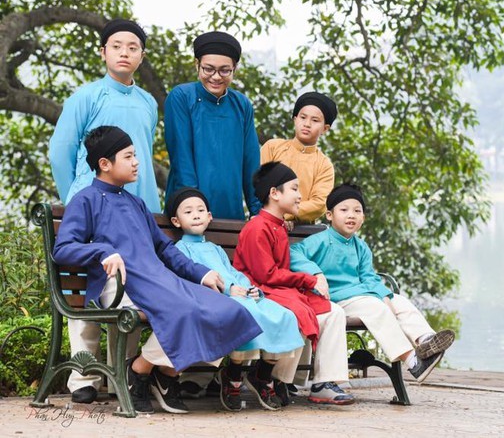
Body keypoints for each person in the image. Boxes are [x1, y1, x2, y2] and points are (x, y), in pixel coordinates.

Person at [52, 126, 263, 414]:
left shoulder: (135, 203)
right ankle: (146, 375)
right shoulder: (85, 200)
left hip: (159, 280)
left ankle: (151, 372)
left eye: (135, 155)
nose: (137, 162)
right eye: (128, 156)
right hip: (121, 284)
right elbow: (63, 248)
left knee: (226, 309)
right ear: (104, 164)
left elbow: (164, 249)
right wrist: (102, 251)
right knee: (183, 312)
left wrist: (201, 273)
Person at [48, 18, 160, 405]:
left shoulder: (148, 102)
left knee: (128, 287)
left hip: (136, 208)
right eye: (117, 46)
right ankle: (83, 378)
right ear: (103, 52)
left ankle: (121, 377)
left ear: (141, 56)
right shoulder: (87, 96)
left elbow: (140, 155)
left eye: (132, 47)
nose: (124, 52)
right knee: (85, 289)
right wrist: (77, 196)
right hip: (91, 205)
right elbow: (59, 151)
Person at [290, 184, 456, 384]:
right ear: (329, 215)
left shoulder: (361, 247)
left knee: (399, 301)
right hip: (335, 298)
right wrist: (316, 273)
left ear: (363, 218)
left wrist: (384, 295)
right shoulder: (320, 241)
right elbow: (293, 253)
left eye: (357, 211)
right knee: (375, 307)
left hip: (360, 296)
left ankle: (426, 340)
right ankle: (413, 362)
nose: (351, 215)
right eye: (344, 210)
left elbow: (369, 277)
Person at [166, 187, 304, 411]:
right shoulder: (181, 249)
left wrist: (251, 288)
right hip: (218, 298)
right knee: (243, 313)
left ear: (209, 216)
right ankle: (234, 374)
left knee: (285, 315)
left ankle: (264, 374)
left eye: (201, 210)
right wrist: (230, 290)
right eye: (188, 212)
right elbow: (191, 277)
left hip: (242, 294)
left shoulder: (216, 248)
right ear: (176, 220)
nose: (196, 215)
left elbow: (234, 273)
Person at [233, 162, 355, 405]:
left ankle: (323, 382)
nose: (300, 195)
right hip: (261, 291)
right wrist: (307, 279)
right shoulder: (258, 227)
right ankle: (271, 378)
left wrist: (309, 280)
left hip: (280, 289)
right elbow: (266, 275)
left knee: (333, 312)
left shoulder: (278, 226)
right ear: (274, 193)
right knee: (299, 313)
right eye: (294, 189)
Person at [164, 31, 261, 220]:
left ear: (235, 68)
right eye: (208, 69)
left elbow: (251, 162)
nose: (216, 77)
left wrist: (257, 211)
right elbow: (181, 157)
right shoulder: (181, 97)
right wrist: (194, 208)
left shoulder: (241, 104)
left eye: (225, 70)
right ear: (197, 65)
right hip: (187, 211)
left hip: (231, 210)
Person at [260, 91, 337, 225]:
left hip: (302, 232)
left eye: (315, 120)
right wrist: (274, 215)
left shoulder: (324, 165)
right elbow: (260, 184)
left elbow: (319, 204)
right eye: (303, 117)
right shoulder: (272, 147)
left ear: (325, 128)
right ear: (295, 119)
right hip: (264, 223)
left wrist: (287, 214)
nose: (307, 124)